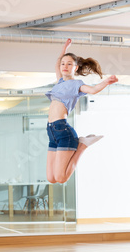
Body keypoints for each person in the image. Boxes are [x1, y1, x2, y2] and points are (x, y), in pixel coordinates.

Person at [46, 39, 118, 184]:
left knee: (61, 178)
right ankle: (82, 144)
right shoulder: (60, 82)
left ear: (76, 68)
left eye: (69, 64)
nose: (65, 66)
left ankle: (82, 145)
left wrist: (106, 82)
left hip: (63, 130)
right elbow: (57, 62)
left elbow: (93, 90)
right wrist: (65, 48)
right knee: (51, 178)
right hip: (51, 131)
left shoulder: (77, 84)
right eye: (63, 64)